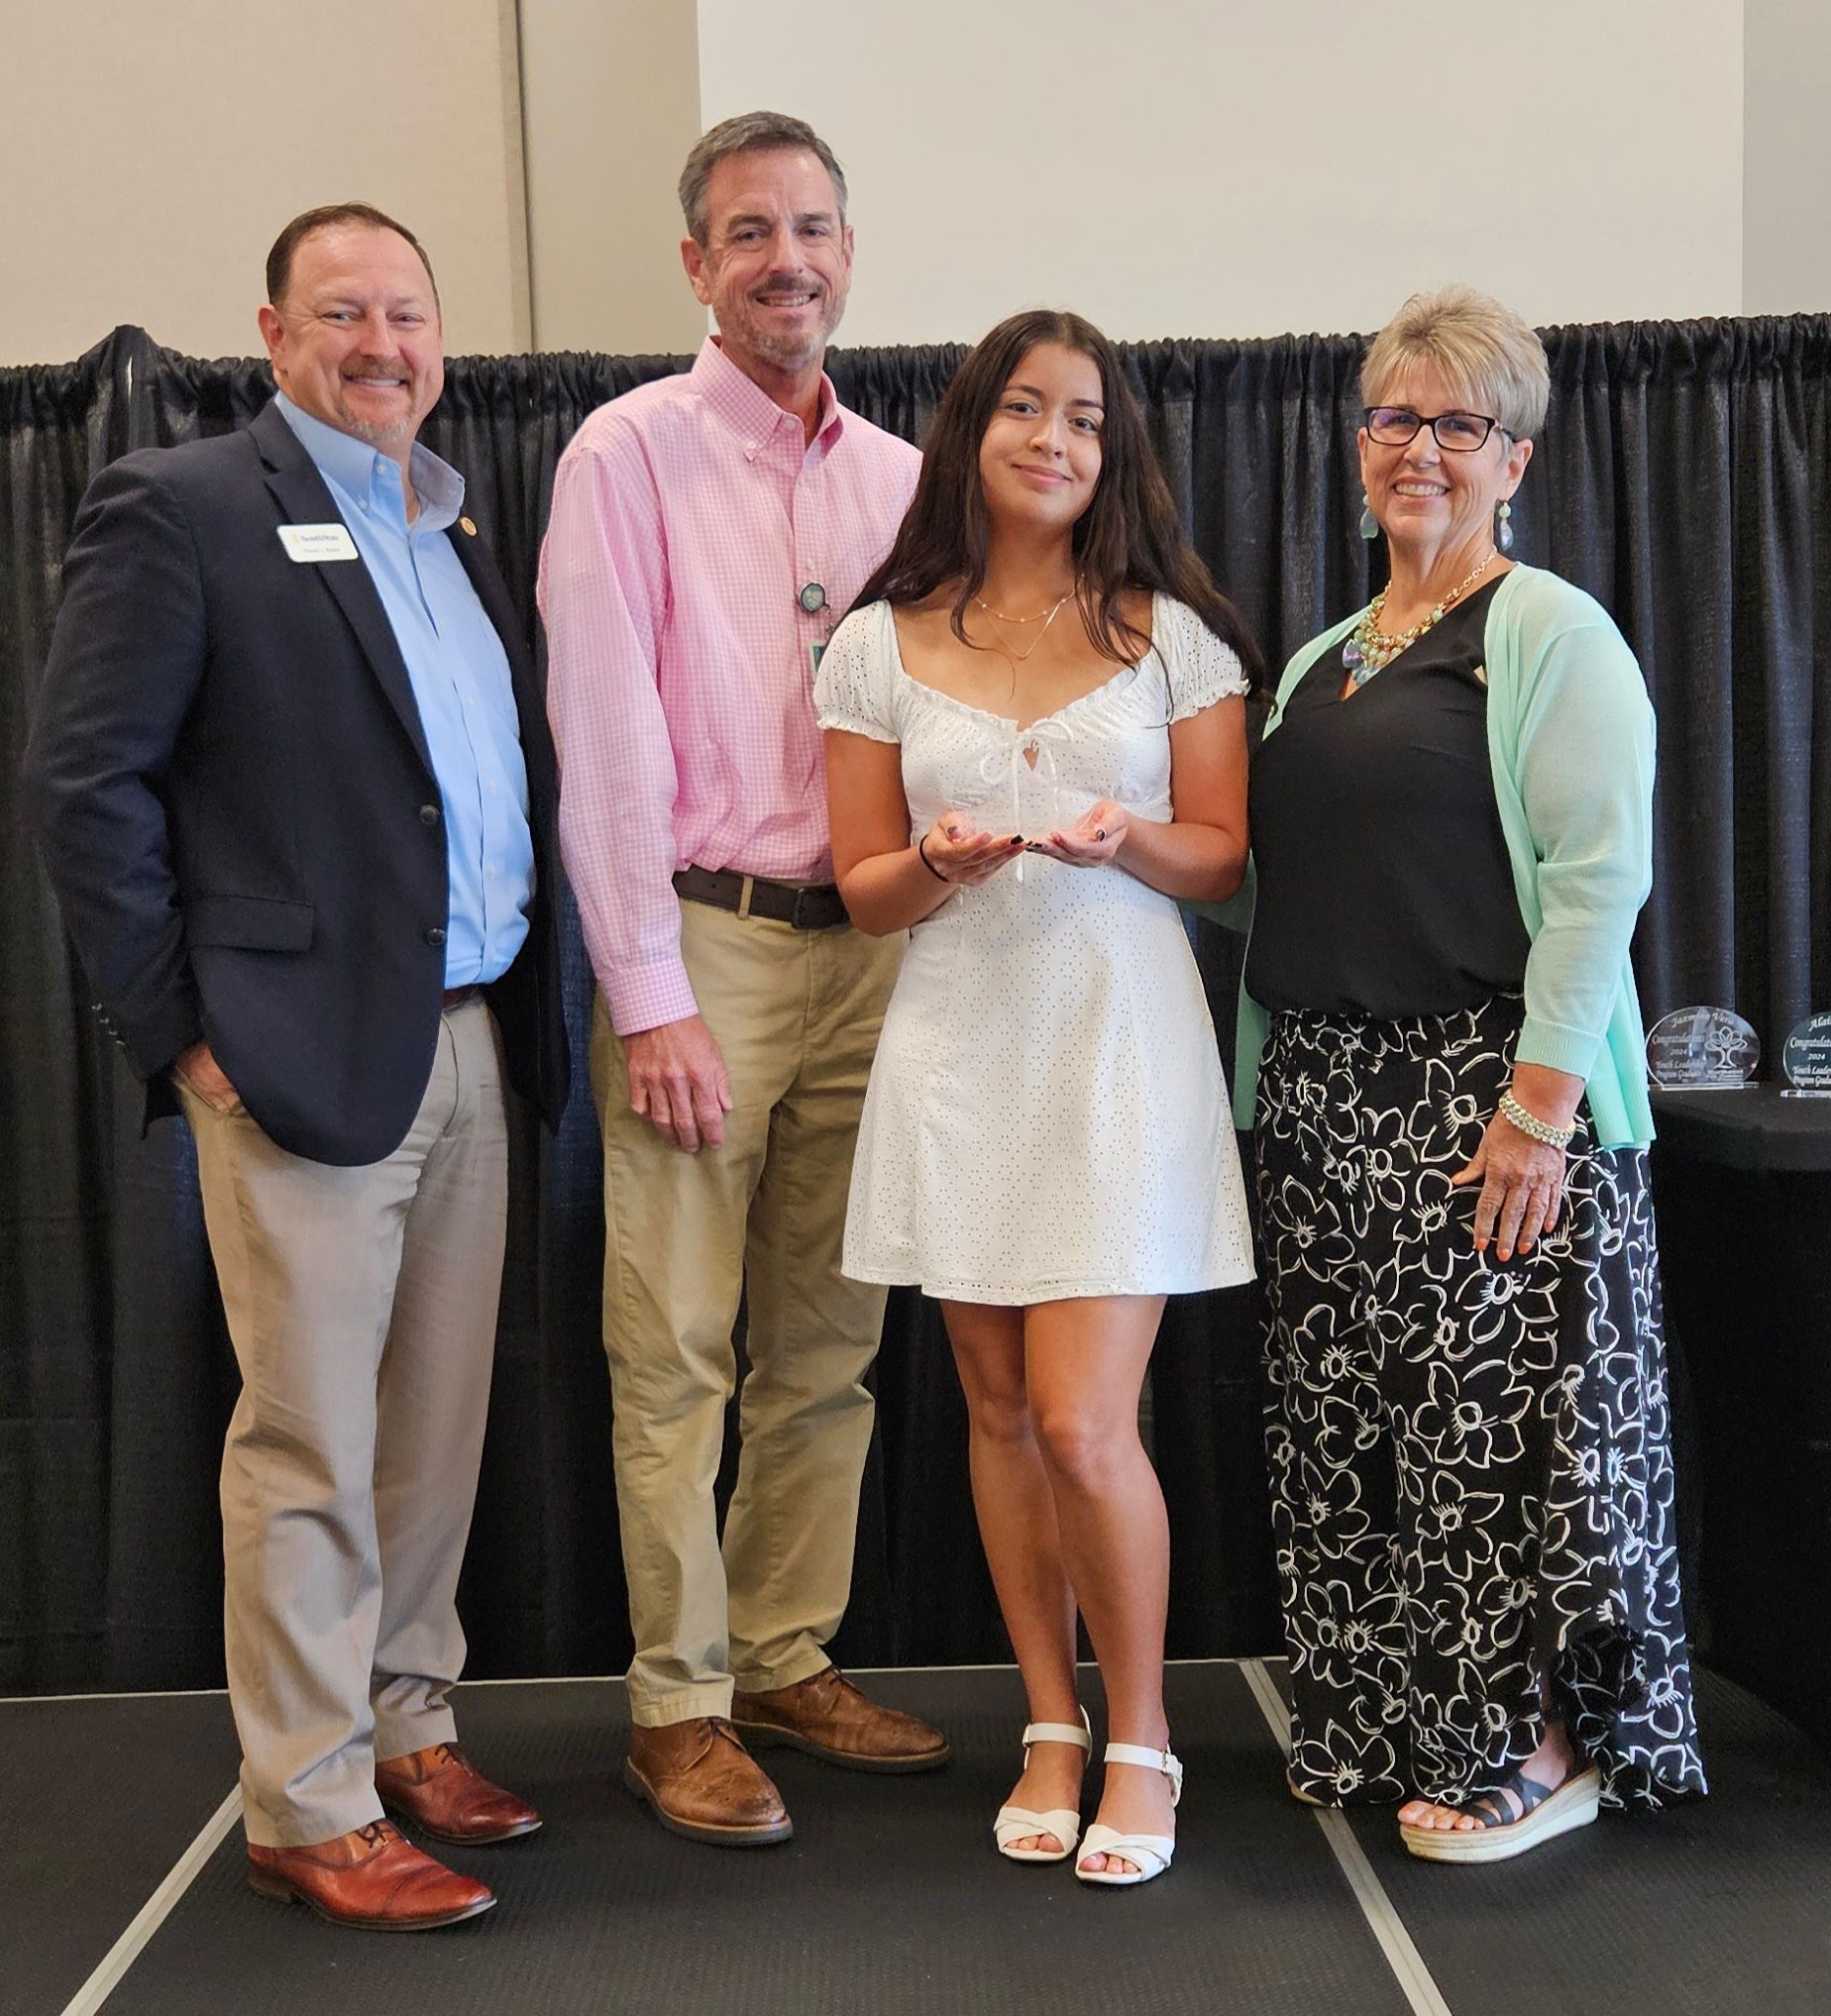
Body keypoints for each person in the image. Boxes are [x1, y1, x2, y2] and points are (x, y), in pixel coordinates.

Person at [24, 203, 569, 1930]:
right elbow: (83, 789)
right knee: (313, 1445)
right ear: (272, 334)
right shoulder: (182, 510)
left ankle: (407, 1725)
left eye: (407, 313)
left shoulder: (452, 519)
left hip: (475, 1034)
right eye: (342, 315)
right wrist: (178, 1028)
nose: (382, 344)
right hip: (294, 1056)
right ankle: (307, 1800)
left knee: (432, 1436)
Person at [1233, 283, 1707, 1862]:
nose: (1418, 448)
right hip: (1320, 1102)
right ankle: (1385, 1720)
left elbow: (1594, 885)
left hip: (1481, 1102)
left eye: (1459, 423)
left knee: (1490, 1451)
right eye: (1392, 418)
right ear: (1356, 442)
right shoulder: (1320, 660)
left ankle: (1532, 1742)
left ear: (1515, 459)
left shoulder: (1549, 633)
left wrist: (1536, 1116)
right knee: (1351, 1435)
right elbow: (1273, 879)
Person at [538, 111, 947, 1849]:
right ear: (697, 265)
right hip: (703, 942)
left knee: (830, 1346)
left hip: (875, 951)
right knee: (676, 1347)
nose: (789, 257)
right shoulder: (623, 455)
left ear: (850, 252)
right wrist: (647, 988)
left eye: (815, 226)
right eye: (749, 230)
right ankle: (680, 1702)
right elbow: (604, 729)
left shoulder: (908, 478)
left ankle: (785, 1653)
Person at [816, 308, 1258, 1888]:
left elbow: (1220, 856)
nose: (1053, 439)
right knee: (996, 1411)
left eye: (1082, 417)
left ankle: (1141, 1738)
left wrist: (1120, 838)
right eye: (1023, 409)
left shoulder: (1173, 635)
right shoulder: (876, 641)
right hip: (959, 1046)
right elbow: (862, 888)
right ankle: (1051, 1725)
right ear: (972, 433)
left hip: (1115, 1041)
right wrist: (932, 863)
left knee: (1083, 1418)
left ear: (1112, 447)